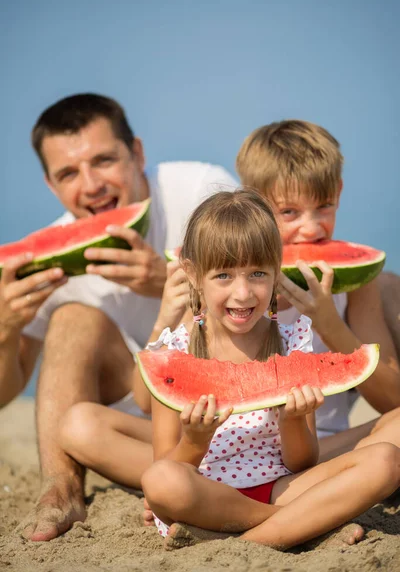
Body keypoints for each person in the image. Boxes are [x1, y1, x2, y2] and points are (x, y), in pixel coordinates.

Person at [0, 93, 237, 541]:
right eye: (68, 173)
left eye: (103, 160)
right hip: (134, 427)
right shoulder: (48, 258)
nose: (90, 185)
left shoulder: (202, 191)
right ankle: (61, 488)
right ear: (51, 185)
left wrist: (162, 282)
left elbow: (257, 296)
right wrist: (5, 328)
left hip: (218, 406)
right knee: (73, 316)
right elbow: (6, 390)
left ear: (138, 153)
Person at [141, 189, 400, 550]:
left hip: (282, 488)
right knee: (161, 482)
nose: (244, 293)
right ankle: (291, 527)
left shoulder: (293, 341)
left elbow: (302, 462)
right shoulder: (172, 352)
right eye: (224, 276)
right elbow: (165, 464)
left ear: (277, 272)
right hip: (207, 495)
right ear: (193, 275)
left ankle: (251, 539)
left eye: (258, 273)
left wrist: (293, 420)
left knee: (386, 461)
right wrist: (195, 441)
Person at [235, 120, 400, 459]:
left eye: (324, 205)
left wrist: (329, 324)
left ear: (338, 192)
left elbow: (392, 400)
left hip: (323, 448)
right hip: (235, 449)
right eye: (289, 212)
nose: (311, 229)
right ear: (253, 204)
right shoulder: (228, 283)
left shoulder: (355, 285)